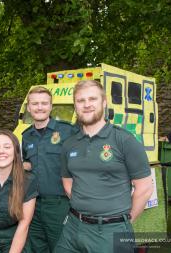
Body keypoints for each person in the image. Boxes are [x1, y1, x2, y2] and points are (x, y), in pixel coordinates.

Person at [55, 80, 154, 253]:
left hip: (110, 230)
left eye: (92, 99)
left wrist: (124, 222)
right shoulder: (69, 144)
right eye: (81, 100)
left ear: (104, 102)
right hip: (73, 227)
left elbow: (144, 188)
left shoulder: (124, 140)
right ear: (75, 106)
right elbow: (67, 182)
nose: (87, 105)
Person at [21, 86, 77, 252]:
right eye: (35, 103)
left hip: (59, 204)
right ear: (29, 108)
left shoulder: (67, 131)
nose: (39, 107)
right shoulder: (26, 136)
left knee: (61, 247)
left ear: (51, 106)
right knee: (37, 248)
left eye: (44, 103)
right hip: (33, 204)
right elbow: (28, 165)